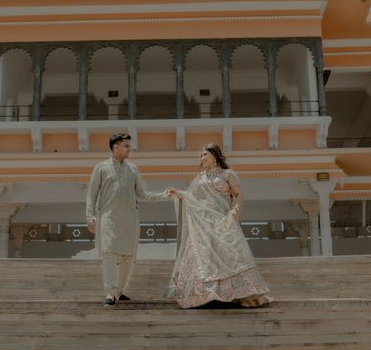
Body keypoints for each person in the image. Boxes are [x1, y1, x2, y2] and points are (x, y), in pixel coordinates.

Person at [166, 144, 272, 309]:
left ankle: (241, 293)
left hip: (223, 220)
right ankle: (209, 293)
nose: (202, 158)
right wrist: (178, 193)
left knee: (230, 255)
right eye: (200, 156)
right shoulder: (200, 178)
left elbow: (239, 194)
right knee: (205, 255)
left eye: (205, 154)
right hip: (204, 225)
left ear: (215, 156)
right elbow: (192, 197)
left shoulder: (227, 174)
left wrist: (235, 211)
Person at [86, 132, 170, 307]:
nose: (129, 149)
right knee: (109, 254)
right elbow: (92, 194)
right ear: (115, 147)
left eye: (129, 146)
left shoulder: (132, 169)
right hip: (108, 219)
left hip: (129, 220)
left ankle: (118, 290)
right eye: (126, 146)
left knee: (126, 257)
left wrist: (163, 195)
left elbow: (141, 193)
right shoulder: (101, 167)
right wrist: (90, 216)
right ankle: (111, 291)